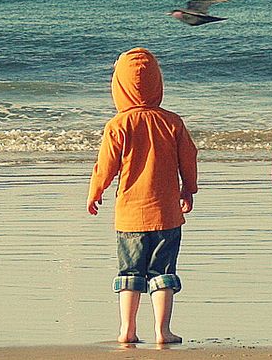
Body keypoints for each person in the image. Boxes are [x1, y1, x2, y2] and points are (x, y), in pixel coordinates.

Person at [87, 48, 198, 344]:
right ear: (157, 83)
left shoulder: (118, 125)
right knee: (163, 272)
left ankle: (127, 329)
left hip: (130, 216)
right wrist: (189, 188)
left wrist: (95, 192)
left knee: (129, 273)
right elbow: (189, 158)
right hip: (167, 215)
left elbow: (105, 166)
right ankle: (162, 331)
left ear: (119, 87)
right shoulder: (172, 122)